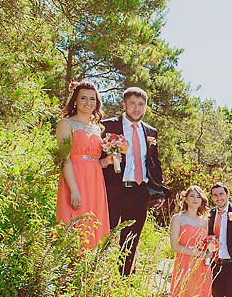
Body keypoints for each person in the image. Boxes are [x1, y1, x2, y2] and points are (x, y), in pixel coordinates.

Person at [101, 87, 169, 276]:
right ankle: (97, 278)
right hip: (113, 190)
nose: (137, 108)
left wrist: (159, 190)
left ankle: (125, 281)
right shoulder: (108, 126)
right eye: (132, 104)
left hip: (139, 192)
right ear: (124, 105)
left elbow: (154, 162)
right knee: (104, 235)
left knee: (131, 240)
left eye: (141, 104)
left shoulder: (151, 132)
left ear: (146, 106)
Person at [55, 81, 111, 248]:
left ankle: (90, 261)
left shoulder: (97, 129)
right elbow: (64, 158)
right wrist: (74, 190)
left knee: (94, 222)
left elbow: (93, 160)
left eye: (92, 99)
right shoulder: (65, 124)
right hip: (74, 179)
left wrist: (106, 161)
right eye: (83, 98)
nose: (88, 102)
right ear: (75, 101)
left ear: (97, 103)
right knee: (74, 222)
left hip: (95, 182)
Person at [168, 185, 213, 297]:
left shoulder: (204, 221)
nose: (195, 199)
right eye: (192, 196)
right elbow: (174, 246)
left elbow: (206, 244)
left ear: (202, 201)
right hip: (184, 264)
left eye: (198, 196)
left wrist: (209, 252)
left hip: (202, 267)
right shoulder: (178, 218)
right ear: (186, 199)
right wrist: (195, 252)